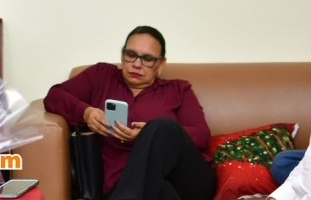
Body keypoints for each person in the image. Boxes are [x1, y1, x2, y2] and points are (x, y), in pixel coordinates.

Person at [43, 25, 216, 200]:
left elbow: (201, 135)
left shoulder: (178, 89)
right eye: (131, 55)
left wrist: (149, 135)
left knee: (163, 127)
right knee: (162, 192)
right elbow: (54, 96)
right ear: (122, 55)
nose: (137, 64)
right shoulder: (101, 76)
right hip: (125, 186)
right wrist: (85, 112)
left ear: (160, 64)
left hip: (186, 183)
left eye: (147, 59)